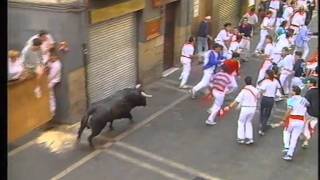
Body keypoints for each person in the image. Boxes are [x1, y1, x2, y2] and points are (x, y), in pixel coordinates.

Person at [223, 76, 260, 144]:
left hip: (245, 108)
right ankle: (249, 138)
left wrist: (229, 107)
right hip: (253, 108)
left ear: (245, 82)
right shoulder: (255, 90)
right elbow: (258, 97)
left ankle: (241, 138)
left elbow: (237, 100)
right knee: (248, 122)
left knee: (241, 122)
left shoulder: (244, 91)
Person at [205, 60, 238, 125]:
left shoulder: (218, 74)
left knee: (216, 103)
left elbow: (210, 82)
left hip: (214, 90)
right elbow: (234, 86)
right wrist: (228, 91)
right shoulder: (229, 77)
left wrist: (211, 91)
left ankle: (213, 110)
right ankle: (210, 119)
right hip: (220, 93)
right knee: (217, 106)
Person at [281, 86, 310, 161]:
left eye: (291, 90)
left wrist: (284, 119)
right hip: (301, 121)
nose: (290, 92)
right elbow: (308, 106)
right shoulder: (304, 100)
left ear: (294, 92)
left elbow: (289, 110)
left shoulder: (291, 99)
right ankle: (290, 154)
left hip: (292, 119)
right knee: (294, 138)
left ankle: (286, 146)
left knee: (286, 131)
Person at [257, 69, 282, 135]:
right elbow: (279, 88)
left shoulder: (265, 81)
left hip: (265, 98)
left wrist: (259, 96)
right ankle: (262, 128)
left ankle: (261, 124)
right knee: (267, 114)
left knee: (262, 112)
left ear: (267, 75)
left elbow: (261, 88)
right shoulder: (275, 81)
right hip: (271, 99)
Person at [302, 78, 318, 148]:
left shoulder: (309, 92)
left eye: (308, 83)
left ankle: (304, 137)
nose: (307, 84)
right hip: (317, 114)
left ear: (311, 84)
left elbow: (305, 103)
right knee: (312, 127)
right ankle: (306, 140)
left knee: (305, 126)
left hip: (309, 112)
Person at [47, 47, 62, 114]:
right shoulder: (52, 62)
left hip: (53, 81)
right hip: (50, 80)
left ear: (55, 57)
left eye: (51, 57)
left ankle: (52, 111)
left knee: (50, 96)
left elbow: (51, 76)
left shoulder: (56, 65)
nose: (50, 58)